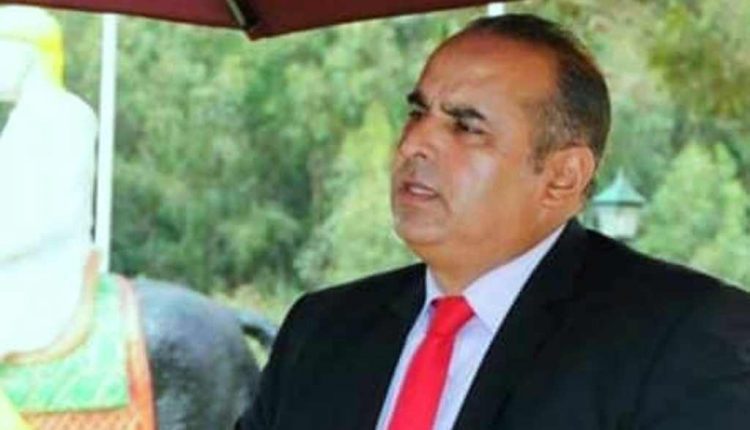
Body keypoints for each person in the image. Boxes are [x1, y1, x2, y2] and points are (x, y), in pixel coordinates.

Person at [238, 13, 750, 430]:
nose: (413, 144)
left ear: (562, 176)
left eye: (466, 127)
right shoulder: (322, 331)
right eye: (417, 114)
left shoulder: (682, 336)